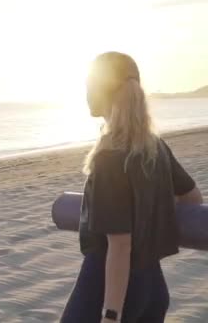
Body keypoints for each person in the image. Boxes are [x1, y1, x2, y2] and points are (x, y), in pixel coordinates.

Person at [60, 51, 203, 322]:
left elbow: (120, 245)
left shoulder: (110, 157)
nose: (86, 94)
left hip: (107, 289)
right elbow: (193, 198)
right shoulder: (155, 147)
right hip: (153, 288)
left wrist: (111, 314)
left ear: (103, 91)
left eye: (89, 85)